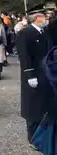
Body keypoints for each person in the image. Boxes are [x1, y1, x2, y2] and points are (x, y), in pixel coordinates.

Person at [16, 12, 55, 149]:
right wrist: (29, 75)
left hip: (45, 73)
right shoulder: (25, 33)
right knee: (32, 106)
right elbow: (24, 56)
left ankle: (43, 136)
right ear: (37, 18)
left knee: (43, 105)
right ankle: (32, 138)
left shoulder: (44, 32)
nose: (46, 19)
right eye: (44, 16)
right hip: (34, 74)